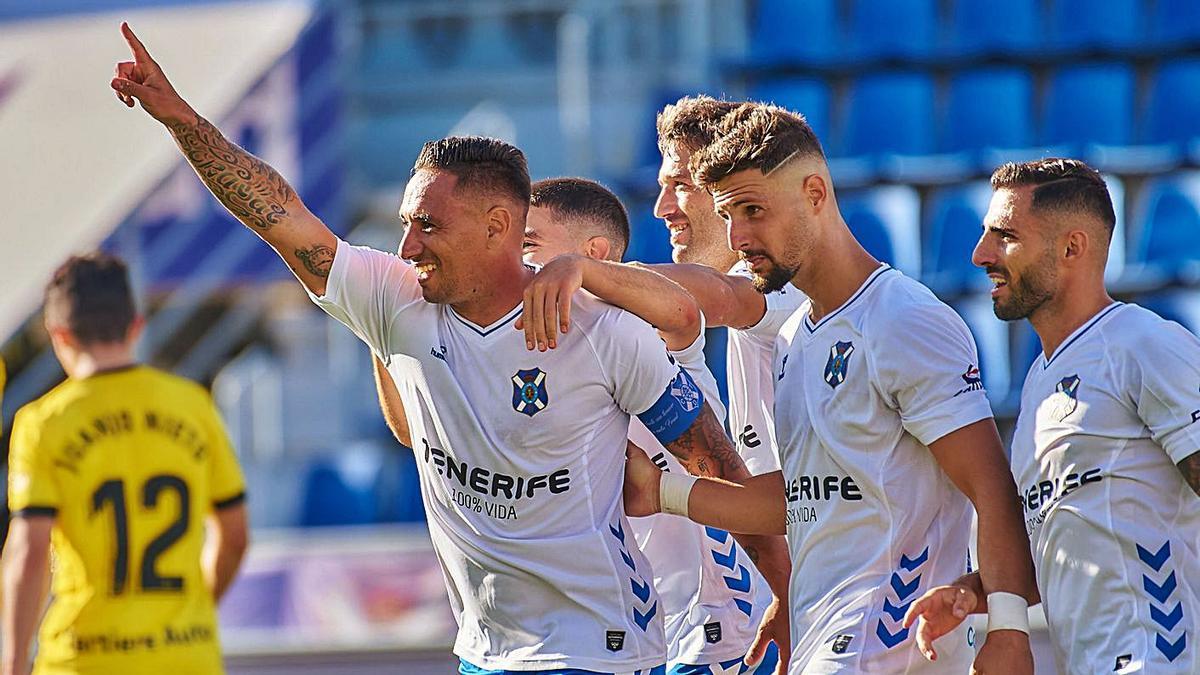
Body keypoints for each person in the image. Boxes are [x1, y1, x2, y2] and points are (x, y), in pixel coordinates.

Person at [111, 23, 784, 674]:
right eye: (405, 225)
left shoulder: (608, 327)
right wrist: (179, 118)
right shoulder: (398, 301)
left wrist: (785, 593)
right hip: (483, 650)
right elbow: (279, 214)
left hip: (596, 650)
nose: (407, 246)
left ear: (497, 228)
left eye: (427, 225)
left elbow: (721, 461)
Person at [622, 102, 1038, 674]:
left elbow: (991, 487)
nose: (738, 236)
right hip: (822, 640)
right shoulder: (798, 336)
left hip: (893, 647)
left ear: (815, 193)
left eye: (752, 211)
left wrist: (1009, 631)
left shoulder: (904, 320)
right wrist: (663, 493)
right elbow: (802, 499)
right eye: (728, 215)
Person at [904, 158, 1200, 674]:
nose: (981, 255)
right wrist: (976, 595)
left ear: (1072, 247)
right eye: (984, 236)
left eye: (1006, 237)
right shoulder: (1041, 380)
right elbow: (1076, 544)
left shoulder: (1143, 344)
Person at [519, 177, 782, 674]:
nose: (520, 261)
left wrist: (581, 273)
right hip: (647, 631)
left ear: (593, 252)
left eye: (530, 244)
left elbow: (683, 308)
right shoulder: (540, 355)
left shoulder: (645, 326)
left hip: (724, 627)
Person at [2, 254, 248, 675]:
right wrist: (192, 614)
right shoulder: (193, 405)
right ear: (136, 326)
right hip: (187, 657)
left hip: (85, 660)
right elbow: (235, 535)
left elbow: (29, 553)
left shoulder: (44, 423)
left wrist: (12, 663)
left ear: (59, 336)